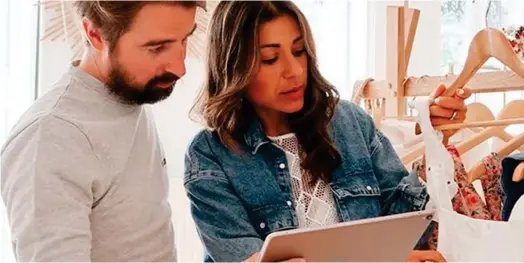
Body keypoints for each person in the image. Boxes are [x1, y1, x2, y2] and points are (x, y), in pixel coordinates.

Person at [184, 1, 471, 262]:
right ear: (233, 67)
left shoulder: (349, 122)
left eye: (299, 51)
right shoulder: (209, 156)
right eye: (270, 59)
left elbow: (404, 225)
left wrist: (434, 141)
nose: (294, 70)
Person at [1, 1, 205, 261]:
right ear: (95, 34)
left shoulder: (129, 98)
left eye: (184, 40)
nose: (180, 68)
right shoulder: (50, 137)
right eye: (156, 48)